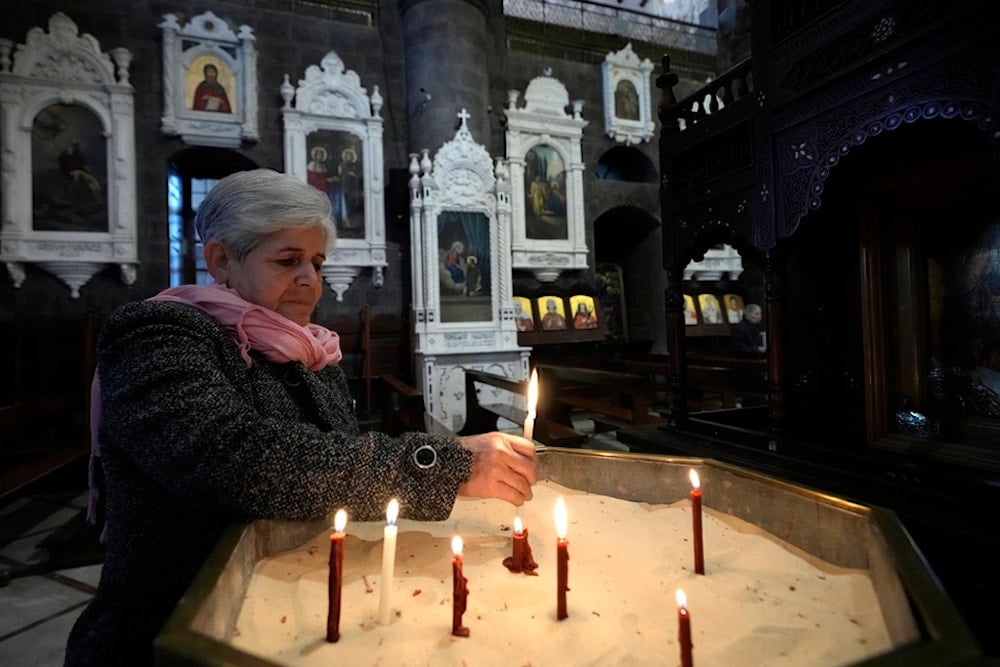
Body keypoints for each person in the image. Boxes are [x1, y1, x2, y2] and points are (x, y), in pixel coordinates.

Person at [64, 169, 537, 666]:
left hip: (300, 603)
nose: (311, 279)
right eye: (288, 260)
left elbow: (335, 465)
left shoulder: (309, 352)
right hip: (180, 627)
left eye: (316, 261)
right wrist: (446, 466)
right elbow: (229, 458)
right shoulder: (157, 335)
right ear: (222, 259)